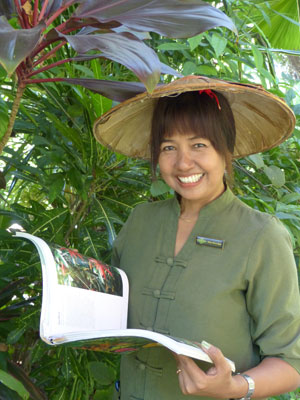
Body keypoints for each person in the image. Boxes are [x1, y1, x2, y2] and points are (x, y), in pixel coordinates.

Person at [93, 76, 300, 400]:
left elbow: (291, 364)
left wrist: (235, 387)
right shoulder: (141, 221)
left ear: (225, 147)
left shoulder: (262, 237)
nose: (183, 162)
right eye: (168, 148)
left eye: (199, 144)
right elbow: (111, 309)